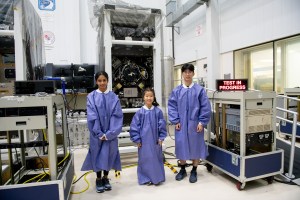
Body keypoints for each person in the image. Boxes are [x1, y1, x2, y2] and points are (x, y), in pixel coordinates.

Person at [168, 63, 211, 183]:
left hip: (195, 124)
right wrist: (175, 120)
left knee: (195, 146)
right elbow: (172, 106)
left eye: (190, 72)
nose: (187, 74)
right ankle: (182, 169)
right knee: (181, 146)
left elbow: (205, 107)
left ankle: (194, 170)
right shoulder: (177, 91)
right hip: (181, 124)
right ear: (182, 74)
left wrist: (202, 122)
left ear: (193, 73)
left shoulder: (199, 90)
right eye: (185, 72)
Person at [81, 71, 123, 193]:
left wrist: (110, 133)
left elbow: (117, 115)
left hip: (111, 135)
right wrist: (100, 133)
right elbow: (92, 116)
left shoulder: (114, 97)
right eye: (99, 80)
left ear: (107, 81)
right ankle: (98, 179)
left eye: (104, 80)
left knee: (109, 154)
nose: (102, 83)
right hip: (97, 135)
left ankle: (106, 178)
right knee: (98, 154)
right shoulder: (91, 97)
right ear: (96, 82)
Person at [130, 87, 167, 185]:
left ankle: (156, 178)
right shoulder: (140, 113)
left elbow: (162, 125)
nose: (149, 98)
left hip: (155, 141)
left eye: (151, 96)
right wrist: (137, 140)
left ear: (154, 97)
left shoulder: (158, 112)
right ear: (143, 97)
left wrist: (161, 137)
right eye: (147, 96)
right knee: (145, 159)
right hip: (143, 142)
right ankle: (145, 178)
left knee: (156, 158)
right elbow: (134, 127)